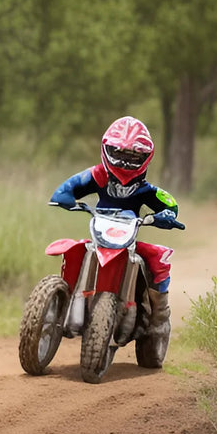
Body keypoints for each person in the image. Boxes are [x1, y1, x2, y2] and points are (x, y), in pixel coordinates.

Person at [49, 115, 184, 341]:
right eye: (118, 153)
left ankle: (159, 317)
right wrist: (65, 198)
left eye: (132, 156)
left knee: (157, 257)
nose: (124, 162)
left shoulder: (146, 189)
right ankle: (58, 299)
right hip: (100, 233)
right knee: (74, 248)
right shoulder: (97, 175)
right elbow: (68, 188)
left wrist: (166, 215)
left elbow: (169, 203)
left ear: (145, 157)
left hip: (129, 238)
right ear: (107, 149)